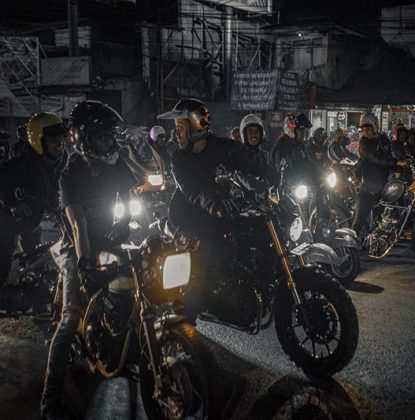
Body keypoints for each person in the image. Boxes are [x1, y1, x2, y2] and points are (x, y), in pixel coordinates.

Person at [41, 100, 136, 420]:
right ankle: (49, 400)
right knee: (70, 317)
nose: (109, 142)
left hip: (107, 238)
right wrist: (85, 268)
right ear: (83, 139)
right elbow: (78, 224)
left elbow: (131, 199)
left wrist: (130, 224)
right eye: (102, 137)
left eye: (110, 136)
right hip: (75, 247)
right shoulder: (71, 174)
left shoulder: (115, 164)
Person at [158, 99, 278, 323]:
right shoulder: (179, 158)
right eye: (177, 129)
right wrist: (214, 202)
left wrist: (272, 174)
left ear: (196, 127)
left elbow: (248, 159)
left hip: (222, 208)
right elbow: (193, 189)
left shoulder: (223, 147)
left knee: (257, 229)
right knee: (202, 251)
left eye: (180, 128)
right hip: (189, 215)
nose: (177, 134)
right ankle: (187, 314)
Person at [0, 113, 67, 290]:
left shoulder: (59, 163)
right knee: (3, 268)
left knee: (39, 265)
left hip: (32, 223)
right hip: (7, 225)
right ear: (38, 141)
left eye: (61, 136)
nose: (59, 142)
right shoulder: (21, 166)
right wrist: (12, 202)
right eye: (53, 138)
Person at [351, 112, 406, 236]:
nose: (365, 132)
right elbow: (376, 158)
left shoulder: (384, 139)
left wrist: (403, 160)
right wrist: (396, 162)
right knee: (358, 222)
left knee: (381, 218)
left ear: (375, 126)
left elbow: (391, 154)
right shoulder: (364, 143)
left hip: (383, 185)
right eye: (363, 129)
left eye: (367, 129)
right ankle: (349, 244)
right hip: (368, 187)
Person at [271, 113, 330, 229]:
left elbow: (307, 164)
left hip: (301, 187)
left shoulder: (299, 145)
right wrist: (300, 181)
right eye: (301, 131)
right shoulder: (281, 145)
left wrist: (319, 177)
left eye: (304, 131)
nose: (304, 134)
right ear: (291, 130)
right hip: (286, 190)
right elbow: (282, 169)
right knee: (289, 219)